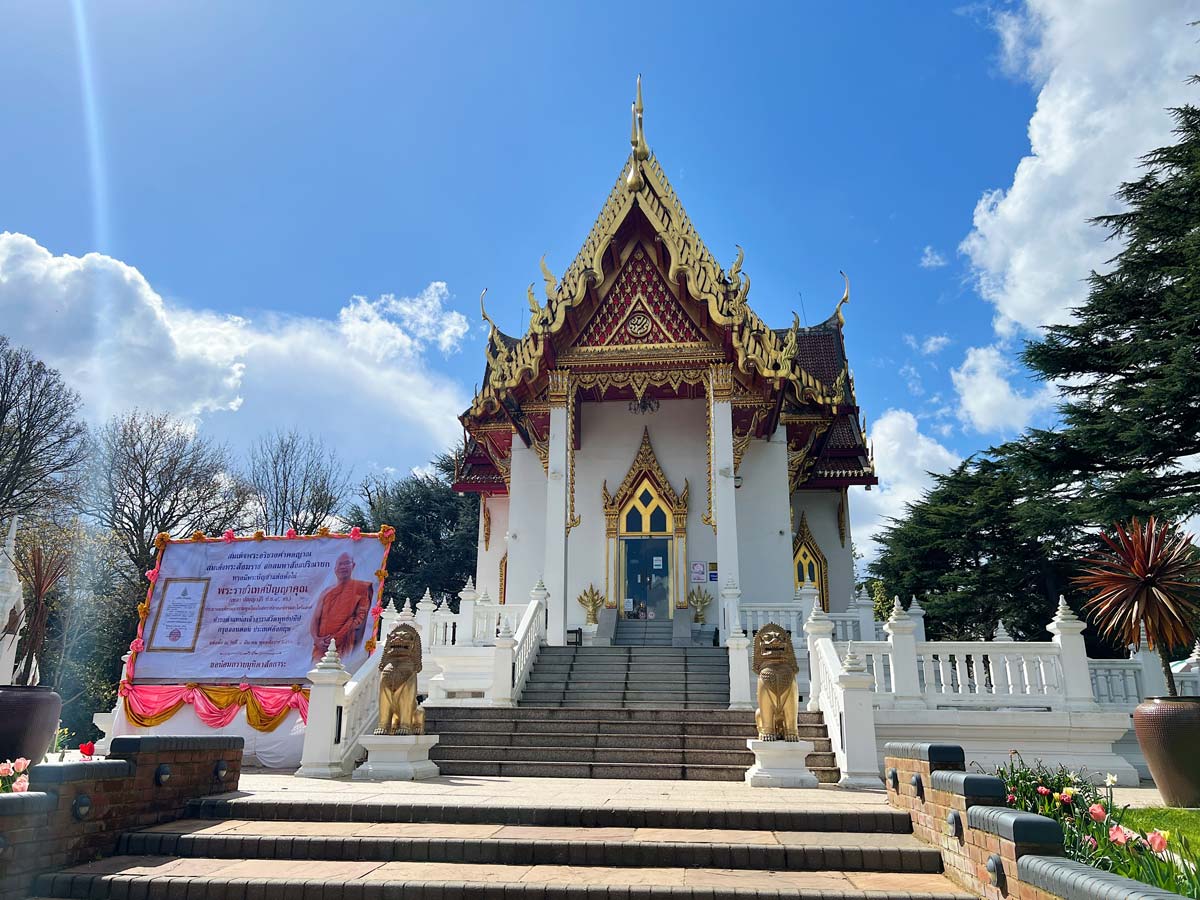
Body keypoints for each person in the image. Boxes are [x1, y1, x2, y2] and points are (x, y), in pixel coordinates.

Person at [310, 552, 373, 661]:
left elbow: (359, 619)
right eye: (340, 564)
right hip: (321, 646)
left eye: (346, 563)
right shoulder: (326, 592)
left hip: (344, 644)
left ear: (353, 566)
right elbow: (315, 619)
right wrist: (317, 639)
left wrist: (337, 638)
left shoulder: (361, 588)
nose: (343, 567)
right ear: (335, 568)